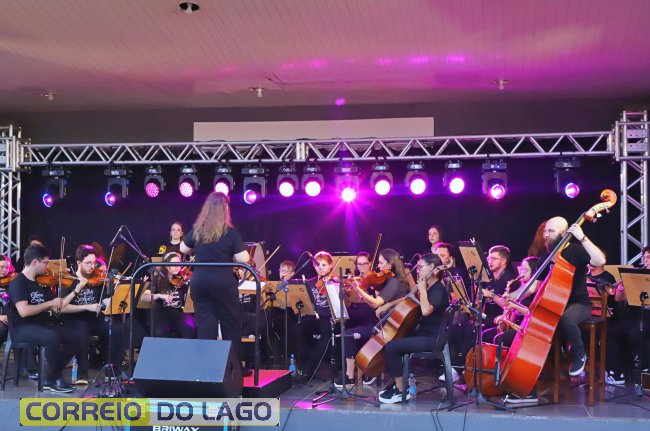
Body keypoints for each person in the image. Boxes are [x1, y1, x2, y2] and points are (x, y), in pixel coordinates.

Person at [508, 216, 606, 378]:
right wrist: (513, 295)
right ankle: (531, 372)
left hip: (579, 304)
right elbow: (532, 287)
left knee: (566, 319)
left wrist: (582, 237)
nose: (546, 235)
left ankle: (579, 354)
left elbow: (600, 260)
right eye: (545, 231)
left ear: (564, 233)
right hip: (554, 306)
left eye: (551, 231)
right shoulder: (545, 259)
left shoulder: (575, 251)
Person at [180, 192, 249, 370]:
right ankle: (234, 369)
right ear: (225, 209)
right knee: (230, 324)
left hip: (200, 281)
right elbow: (244, 258)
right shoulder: (230, 232)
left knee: (205, 325)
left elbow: (183, 248)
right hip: (223, 282)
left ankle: (206, 369)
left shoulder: (199, 230)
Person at [8, 244, 83, 393]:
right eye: (45, 263)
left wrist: (75, 291)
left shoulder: (42, 282)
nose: (47, 266)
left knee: (75, 337)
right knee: (51, 337)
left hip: (42, 325)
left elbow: (56, 307)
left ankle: (51, 377)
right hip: (22, 328)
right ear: (35, 262)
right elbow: (24, 311)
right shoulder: (18, 283)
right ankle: (55, 380)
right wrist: (49, 303)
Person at [378, 253, 449, 404]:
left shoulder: (438, 290)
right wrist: (389, 305)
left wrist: (422, 290)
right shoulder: (430, 288)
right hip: (425, 334)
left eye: (421, 267)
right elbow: (410, 300)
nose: (418, 270)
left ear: (432, 267)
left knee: (392, 347)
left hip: (433, 339)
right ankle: (401, 383)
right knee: (395, 340)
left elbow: (426, 311)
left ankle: (400, 389)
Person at [339, 249, 410, 388]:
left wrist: (359, 289)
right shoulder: (390, 280)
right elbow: (375, 303)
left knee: (351, 335)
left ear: (390, 264)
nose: (379, 266)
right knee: (349, 331)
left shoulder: (394, 281)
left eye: (381, 263)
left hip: (388, 325)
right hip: (385, 322)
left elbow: (376, 303)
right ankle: (360, 372)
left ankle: (369, 370)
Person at [60, 244, 126, 385]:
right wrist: (88, 307)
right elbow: (62, 308)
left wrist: (112, 300)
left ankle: (113, 371)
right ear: (79, 263)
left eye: (94, 262)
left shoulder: (97, 279)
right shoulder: (68, 280)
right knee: (81, 331)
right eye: (88, 263)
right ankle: (82, 373)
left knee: (117, 328)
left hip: (94, 318)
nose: (92, 266)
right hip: (74, 319)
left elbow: (104, 299)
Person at [141, 251, 196, 339]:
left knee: (190, 327)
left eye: (179, 264)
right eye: (174, 264)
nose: (178, 267)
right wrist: (160, 296)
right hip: (161, 314)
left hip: (178, 314)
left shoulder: (183, 279)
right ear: (166, 266)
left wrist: (191, 282)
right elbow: (144, 297)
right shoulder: (158, 279)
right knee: (161, 332)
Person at [482, 245, 517, 329]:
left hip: (500, 322)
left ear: (503, 261)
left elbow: (508, 306)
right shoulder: (488, 278)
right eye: (489, 258)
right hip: (487, 319)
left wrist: (491, 294)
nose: (490, 261)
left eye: (493, 259)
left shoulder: (510, 279)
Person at [0, 255, 17, 346]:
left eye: (7, 268)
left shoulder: (10, 282)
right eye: (2, 267)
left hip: (9, 317)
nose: (4, 270)